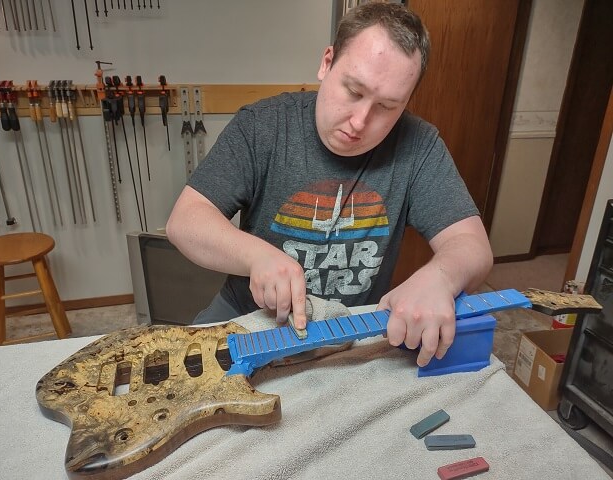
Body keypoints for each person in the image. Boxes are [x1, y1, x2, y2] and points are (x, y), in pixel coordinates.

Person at [166, 2, 493, 367]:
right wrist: (255, 255)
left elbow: (472, 246)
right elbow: (185, 221)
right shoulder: (261, 126)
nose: (360, 121)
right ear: (327, 63)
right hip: (249, 318)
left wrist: (440, 277)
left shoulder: (420, 145)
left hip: (350, 331)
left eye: (386, 106)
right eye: (353, 91)